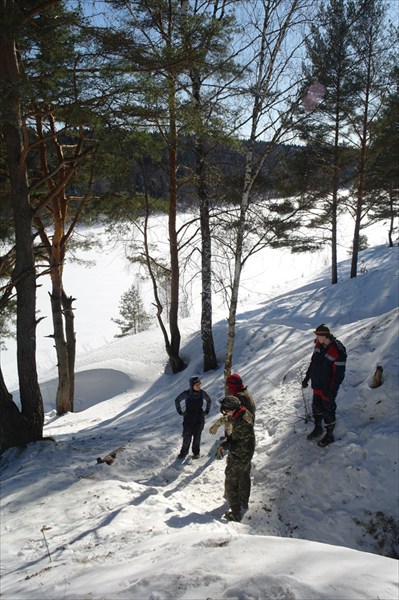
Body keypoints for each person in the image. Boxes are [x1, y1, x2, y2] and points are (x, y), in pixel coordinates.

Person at [302, 324, 347, 447]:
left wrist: (332, 390)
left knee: (328, 410)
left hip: (328, 387)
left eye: (318, 335)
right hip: (317, 384)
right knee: (316, 407)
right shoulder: (318, 345)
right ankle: (318, 428)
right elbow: (313, 363)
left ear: (324, 336)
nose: (316, 337)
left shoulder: (337, 351)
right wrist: (307, 378)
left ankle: (329, 435)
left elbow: (339, 375)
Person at [215, 395, 255, 522]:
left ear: (232, 408)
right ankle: (243, 502)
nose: (225, 412)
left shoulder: (240, 422)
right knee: (244, 476)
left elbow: (239, 444)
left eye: (226, 410)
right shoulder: (243, 413)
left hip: (241, 454)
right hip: (247, 453)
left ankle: (235, 513)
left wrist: (225, 445)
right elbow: (239, 438)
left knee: (230, 481)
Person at [175, 376, 211, 459]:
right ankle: (183, 452)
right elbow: (177, 400)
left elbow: (208, 400)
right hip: (188, 418)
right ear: (192, 385)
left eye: (199, 384)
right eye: (196, 385)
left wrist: (206, 411)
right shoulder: (187, 394)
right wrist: (180, 412)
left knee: (197, 437)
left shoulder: (202, 393)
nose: (198, 386)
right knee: (187, 437)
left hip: (199, 418)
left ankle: (196, 453)